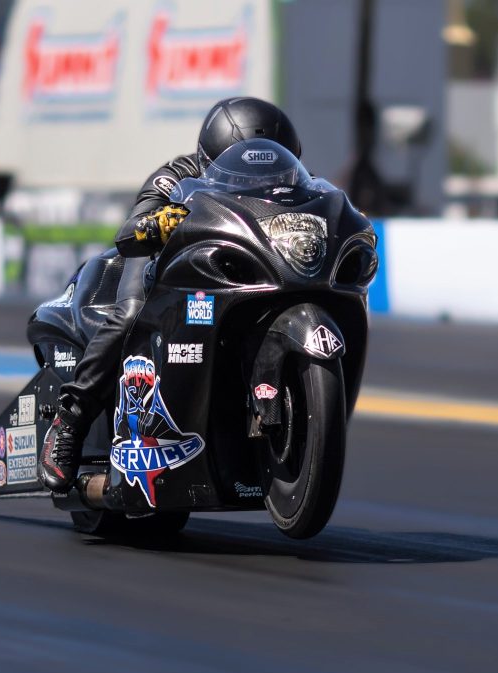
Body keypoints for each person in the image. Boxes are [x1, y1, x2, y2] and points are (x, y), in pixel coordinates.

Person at [40, 97, 302, 493]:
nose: (263, 179)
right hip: (166, 268)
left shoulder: (295, 182)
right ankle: (71, 419)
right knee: (131, 314)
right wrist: (157, 222)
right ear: (212, 156)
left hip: (252, 273)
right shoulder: (176, 176)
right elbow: (128, 233)